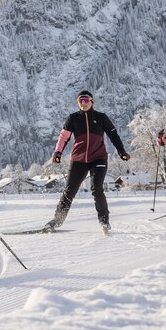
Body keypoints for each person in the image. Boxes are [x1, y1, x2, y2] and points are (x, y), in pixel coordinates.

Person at [42, 90, 131, 236]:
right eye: (80, 101)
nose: (83, 103)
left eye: (85, 100)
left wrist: (122, 152)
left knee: (96, 188)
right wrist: (57, 153)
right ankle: (56, 221)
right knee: (69, 191)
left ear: (91, 101)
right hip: (78, 159)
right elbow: (63, 137)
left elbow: (113, 135)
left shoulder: (101, 117)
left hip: (99, 158)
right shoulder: (73, 118)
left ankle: (104, 221)